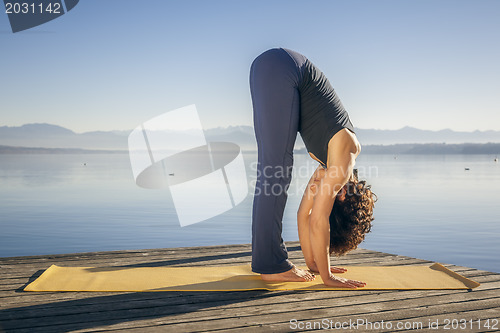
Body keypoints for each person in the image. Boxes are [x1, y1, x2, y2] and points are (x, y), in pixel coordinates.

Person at [250, 47, 376, 288]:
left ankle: (270, 262)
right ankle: (272, 265)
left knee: (273, 170)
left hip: (269, 65)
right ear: (342, 196)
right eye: (327, 200)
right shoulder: (343, 161)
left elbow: (304, 215)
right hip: (284, 68)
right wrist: (328, 278)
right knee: (276, 170)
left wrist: (315, 264)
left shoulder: (325, 169)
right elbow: (319, 220)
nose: (318, 192)